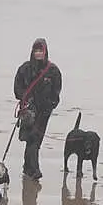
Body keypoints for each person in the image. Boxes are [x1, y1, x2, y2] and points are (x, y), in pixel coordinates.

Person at [13, 38, 62, 180]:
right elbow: (17, 89)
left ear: (45, 51)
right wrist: (26, 100)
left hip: (44, 112)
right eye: (36, 51)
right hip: (28, 110)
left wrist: (50, 105)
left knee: (35, 139)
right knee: (30, 139)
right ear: (32, 52)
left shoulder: (53, 71)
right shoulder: (24, 69)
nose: (38, 53)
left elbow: (56, 93)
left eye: (41, 51)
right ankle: (32, 170)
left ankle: (30, 169)